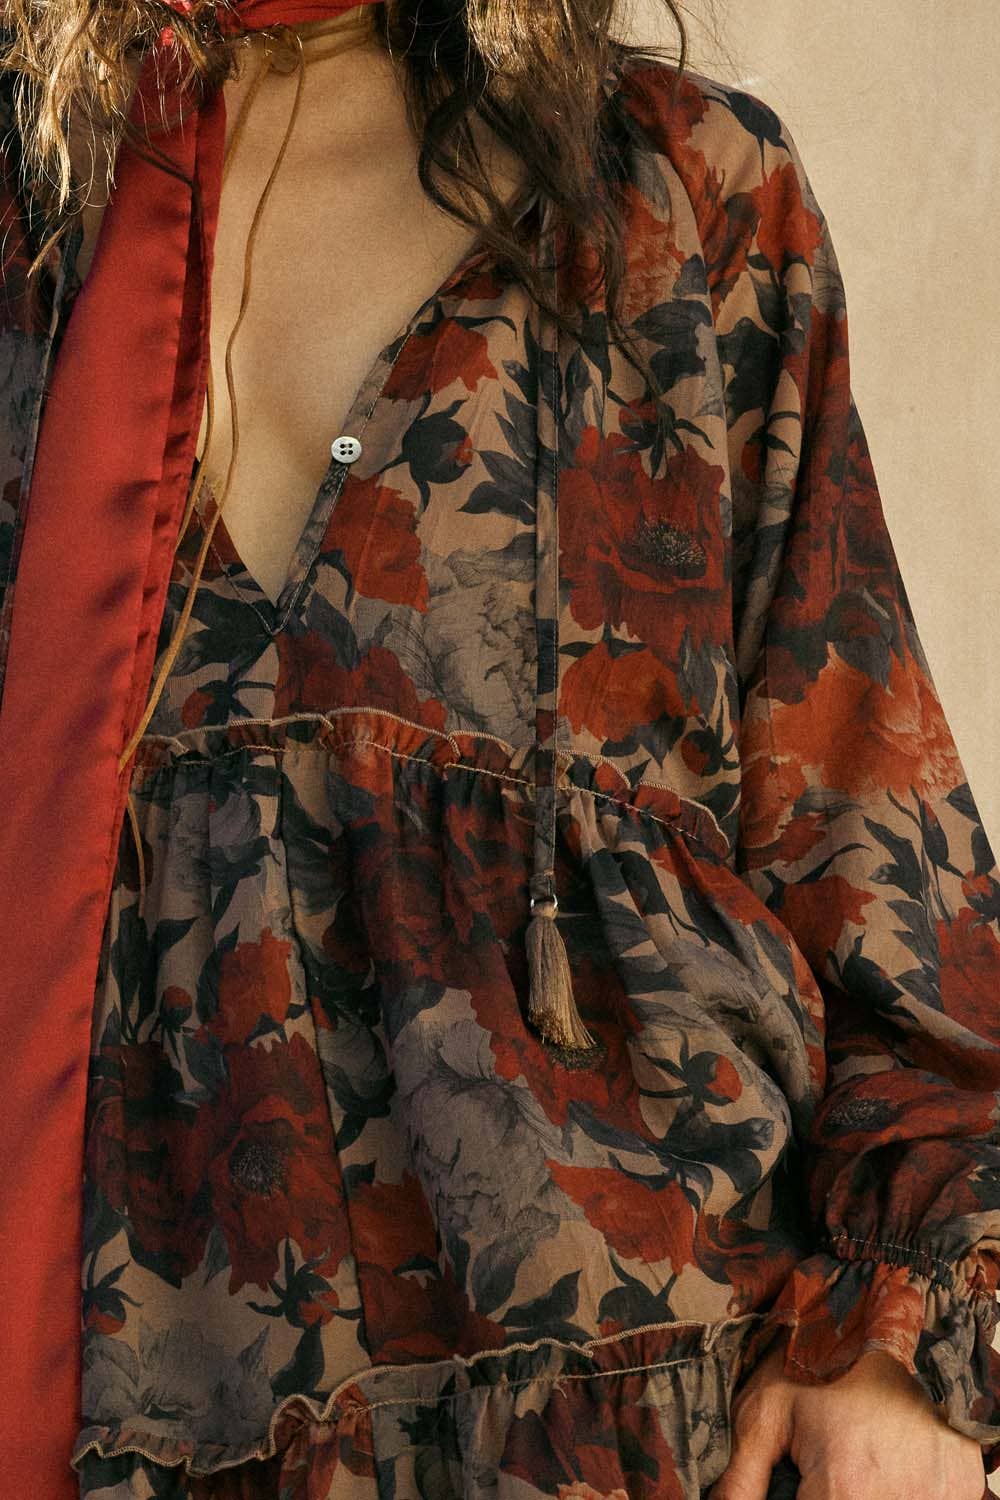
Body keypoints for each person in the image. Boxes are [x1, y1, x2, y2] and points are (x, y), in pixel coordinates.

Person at [0, 2, 997, 1497]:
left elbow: (883, 865)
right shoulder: (35, 242)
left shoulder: (677, 192)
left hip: (643, 1425)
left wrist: (897, 1348)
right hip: (161, 1418)